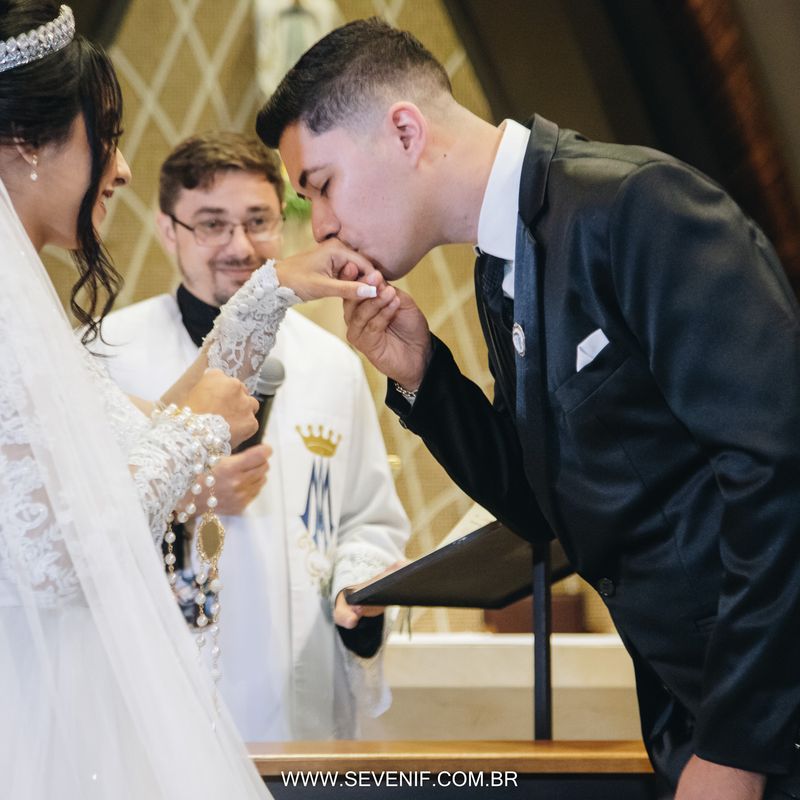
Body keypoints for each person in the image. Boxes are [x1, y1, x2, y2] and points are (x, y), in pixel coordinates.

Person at [256, 17, 800, 800]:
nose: (325, 226)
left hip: (764, 721)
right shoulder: (499, 271)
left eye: (322, 186)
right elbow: (548, 509)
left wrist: (736, 747)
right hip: (692, 711)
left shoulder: (640, 205)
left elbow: (775, 476)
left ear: (405, 131)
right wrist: (425, 380)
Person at [0, 3, 376, 797]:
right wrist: (195, 437)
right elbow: (51, 559)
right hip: (50, 710)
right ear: (28, 145)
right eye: (107, 133)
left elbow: (128, 437)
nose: (124, 168)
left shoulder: (23, 312)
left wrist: (269, 294)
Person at [93, 130, 410, 740]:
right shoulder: (109, 355)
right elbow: (71, 531)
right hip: (161, 700)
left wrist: (360, 595)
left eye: (259, 220)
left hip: (298, 693)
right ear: (168, 232)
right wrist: (184, 491)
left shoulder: (333, 366)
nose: (239, 246)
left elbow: (368, 523)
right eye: (211, 224)